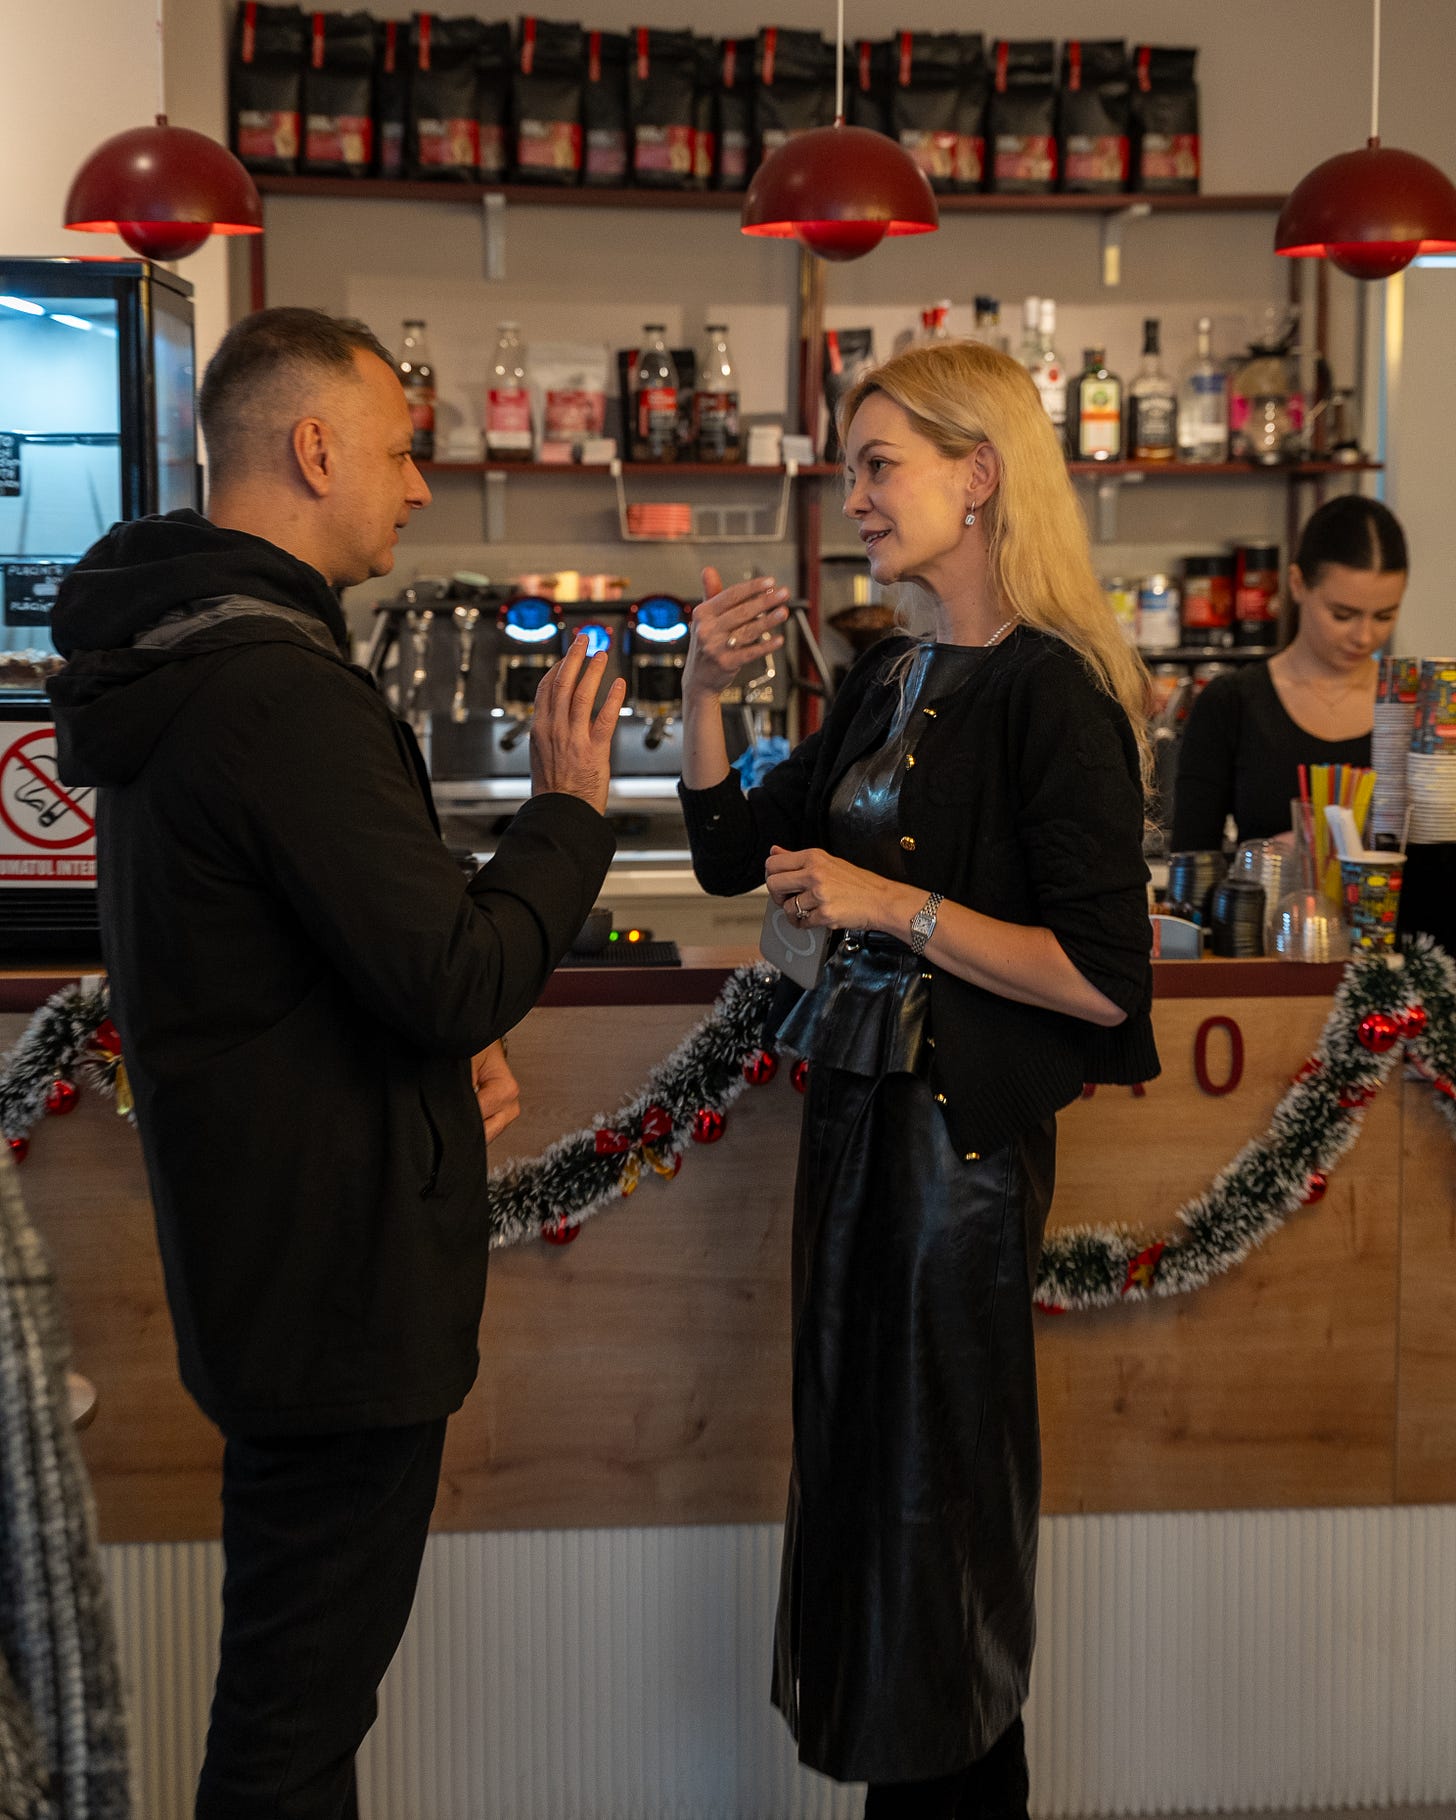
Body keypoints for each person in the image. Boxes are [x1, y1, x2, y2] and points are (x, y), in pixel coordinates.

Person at [46, 307, 625, 1819]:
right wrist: (570, 809)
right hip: (334, 1291)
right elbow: (452, 972)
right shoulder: (281, 688)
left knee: (294, 1712)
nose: (419, 485)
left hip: (268, 1263)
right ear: (313, 449)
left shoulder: (184, 656)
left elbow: (304, 960)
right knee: (289, 1736)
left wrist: (432, 1048)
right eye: (399, 448)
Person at [677, 339, 1160, 1816]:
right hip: (853, 1138)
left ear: (981, 472)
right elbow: (729, 851)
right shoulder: (887, 672)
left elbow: (1101, 977)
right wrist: (701, 691)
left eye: (879, 465)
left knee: (936, 1530)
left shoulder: (1054, 694)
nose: (858, 497)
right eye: (852, 469)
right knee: (865, 1508)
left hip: (957, 1163)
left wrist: (892, 905)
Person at [1170, 495, 1407, 850]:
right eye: (1342, 615)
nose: (1364, 636)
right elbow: (1192, 859)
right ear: (1297, 584)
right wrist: (1265, 857)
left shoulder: (1416, 709)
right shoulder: (1232, 703)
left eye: (1384, 616)